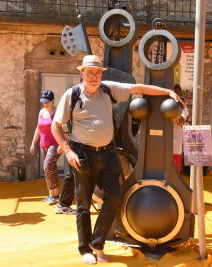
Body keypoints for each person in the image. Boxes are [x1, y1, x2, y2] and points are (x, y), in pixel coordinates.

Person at [51, 55, 184, 264]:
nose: (94, 76)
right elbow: (55, 127)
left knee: (113, 199)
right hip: (82, 154)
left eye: (97, 72)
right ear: (82, 73)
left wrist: (167, 91)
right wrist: (67, 151)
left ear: (101, 74)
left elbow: (137, 88)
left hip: (108, 152)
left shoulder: (108, 89)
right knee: (84, 205)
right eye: (89, 72)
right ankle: (85, 249)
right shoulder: (73, 95)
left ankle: (97, 243)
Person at [30, 90, 62, 205]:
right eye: (43, 102)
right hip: (43, 144)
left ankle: (54, 195)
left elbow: (63, 129)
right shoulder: (41, 112)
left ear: (53, 100)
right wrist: (33, 143)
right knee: (50, 169)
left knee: (47, 166)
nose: (45, 104)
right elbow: (38, 129)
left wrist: (63, 145)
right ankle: (53, 195)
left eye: (47, 102)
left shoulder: (58, 112)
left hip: (55, 143)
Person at [172, 84, 188, 173]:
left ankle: (176, 173)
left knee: (176, 152)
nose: (177, 93)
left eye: (178, 92)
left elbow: (185, 111)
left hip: (177, 132)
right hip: (167, 131)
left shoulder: (181, 102)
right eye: (175, 91)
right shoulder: (166, 101)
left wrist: (182, 117)